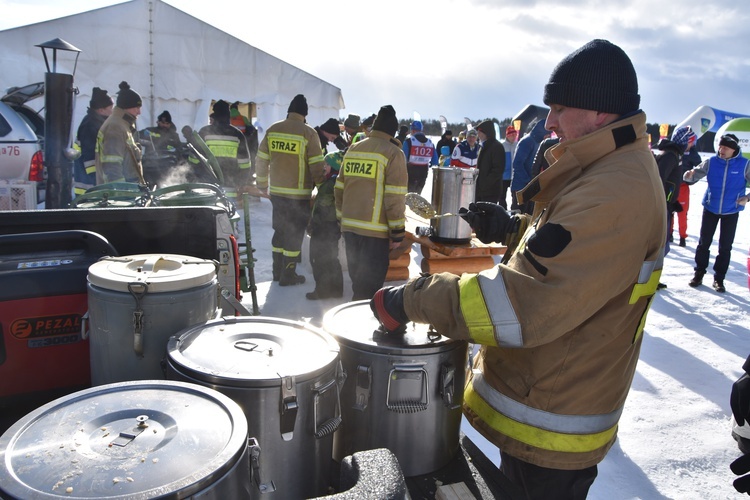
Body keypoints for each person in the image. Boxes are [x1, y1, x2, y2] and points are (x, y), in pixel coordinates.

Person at [369, 39, 665, 499]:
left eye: (560, 107)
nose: (548, 121)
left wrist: (411, 298)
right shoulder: (609, 169)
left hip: (558, 413)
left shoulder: (614, 191)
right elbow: (572, 257)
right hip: (552, 396)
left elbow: (518, 306)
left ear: (600, 112)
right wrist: (514, 230)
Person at [335, 105, 407, 300]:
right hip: (375, 233)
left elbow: (339, 188)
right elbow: (395, 196)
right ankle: (360, 325)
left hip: (350, 227)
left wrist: (342, 219)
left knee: (358, 282)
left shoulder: (354, 149)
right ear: (392, 131)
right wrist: (397, 232)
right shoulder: (393, 153)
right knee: (369, 289)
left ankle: (352, 320)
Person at [256, 94, 326, 286]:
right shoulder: (308, 133)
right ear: (305, 114)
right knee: (294, 234)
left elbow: (261, 159)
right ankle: (289, 275)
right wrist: (322, 187)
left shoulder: (273, 129)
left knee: (279, 231)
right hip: (299, 195)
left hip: (277, 193)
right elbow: (316, 165)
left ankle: (277, 272)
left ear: (289, 111)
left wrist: (262, 184)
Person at [684, 133, 750, 293]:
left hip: (731, 210)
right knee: (703, 243)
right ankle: (698, 274)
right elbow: (693, 176)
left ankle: (719, 279)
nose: (721, 149)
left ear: (733, 150)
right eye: (720, 146)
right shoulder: (711, 162)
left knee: (725, 247)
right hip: (710, 208)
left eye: (725, 147)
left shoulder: (745, 164)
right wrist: (688, 176)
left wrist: (747, 198)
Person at [307, 150, 344, 300]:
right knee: (332, 259)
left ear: (335, 166)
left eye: (327, 164)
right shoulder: (337, 182)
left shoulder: (330, 185)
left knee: (319, 259)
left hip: (324, 228)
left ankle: (322, 291)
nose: (324, 167)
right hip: (333, 227)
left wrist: (312, 224)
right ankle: (336, 290)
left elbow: (322, 207)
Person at [198, 100, 252, 201]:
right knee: (229, 215)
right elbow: (245, 164)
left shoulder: (204, 132)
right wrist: (241, 183)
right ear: (228, 115)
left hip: (208, 188)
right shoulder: (237, 134)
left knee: (209, 215)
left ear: (214, 115)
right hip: (230, 188)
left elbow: (194, 160)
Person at [95, 81, 145, 185]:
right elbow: (112, 165)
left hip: (128, 189)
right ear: (126, 107)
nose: (139, 112)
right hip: (121, 194)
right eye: (137, 107)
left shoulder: (123, 124)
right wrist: (121, 192)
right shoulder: (115, 127)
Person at [74, 87, 113, 195]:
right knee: (88, 210)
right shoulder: (90, 125)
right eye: (111, 107)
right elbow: (90, 154)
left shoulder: (97, 122)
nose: (113, 110)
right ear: (101, 110)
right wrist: (96, 179)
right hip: (88, 184)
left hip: (92, 180)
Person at [511, 118, 548, 213]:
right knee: (518, 217)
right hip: (520, 187)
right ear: (541, 132)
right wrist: (528, 180)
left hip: (529, 187)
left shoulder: (537, 142)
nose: (548, 137)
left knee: (528, 216)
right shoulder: (527, 142)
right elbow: (517, 164)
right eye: (547, 134)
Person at [671, 126, 700, 246]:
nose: (693, 144)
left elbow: (699, 169)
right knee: (669, 211)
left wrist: (691, 180)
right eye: (691, 142)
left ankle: (682, 236)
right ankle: (669, 233)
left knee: (682, 213)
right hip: (671, 186)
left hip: (683, 186)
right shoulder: (672, 151)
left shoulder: (693, 153)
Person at [474, 120, 505, 204]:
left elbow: (498, 170)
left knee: (487, 216)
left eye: (480, 132)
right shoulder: (483, 146)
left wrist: (484, 184)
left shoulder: (497, 147)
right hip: (481, 191)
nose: (478, 135)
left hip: (490, 192)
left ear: (486, 133)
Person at [403, 120, 437, 194]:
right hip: (424, 171)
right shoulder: (430, 142)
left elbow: (403, 157)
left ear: (413, 130)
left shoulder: (409, 141)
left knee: (408, 194)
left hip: (410, 170)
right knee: (418, 194)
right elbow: (435, 160)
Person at [230, 102, 259, 177]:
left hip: (231, 142)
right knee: (244, 159)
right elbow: (251, 129)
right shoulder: (243, 118)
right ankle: (247, 174)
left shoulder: (228, 119)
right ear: (237, 109)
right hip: (244, 141)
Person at [499, 125, 518, 209]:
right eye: (512, 135)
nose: (514, 137)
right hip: (504, 175)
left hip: (514, 175)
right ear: (507, 135)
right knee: (502, 196)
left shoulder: (518, 145)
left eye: (515, 135)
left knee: (515, 196)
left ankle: (514, 212)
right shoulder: (502, 146)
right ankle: (502, 211)